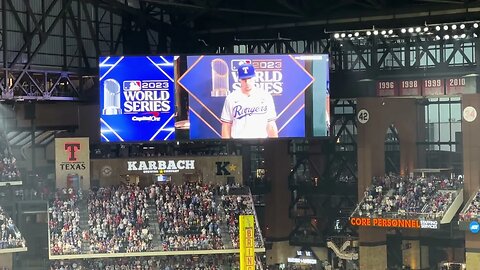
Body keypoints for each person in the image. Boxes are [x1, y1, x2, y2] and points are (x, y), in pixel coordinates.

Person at [220, 63, 278, 138]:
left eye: (249, 78)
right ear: (239, 79)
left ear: (254, 77)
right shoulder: (231, 98)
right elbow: (226, 125)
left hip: (261, 142)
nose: (247, 82)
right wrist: (226, 146)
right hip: (238, 143)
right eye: (244, 79)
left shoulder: (266, 96)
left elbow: (271, 124)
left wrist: (275, 146)